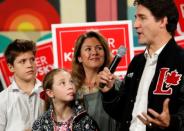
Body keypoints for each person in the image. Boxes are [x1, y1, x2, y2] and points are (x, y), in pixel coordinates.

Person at [98, 0, 184, 131]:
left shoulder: (181, 60)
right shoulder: (136, 62)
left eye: (142, 18)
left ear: (162, 21)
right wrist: (109, 92)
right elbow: (123, 114)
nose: (135, 25)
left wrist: (172, 122)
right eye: (135, 18)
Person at [71, 31, 121, 131]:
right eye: (88, 49)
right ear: (79, 58)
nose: (94, 52)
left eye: (99, 48)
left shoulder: (116, 84)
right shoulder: (71, 88)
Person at [32, 68, 99, 131]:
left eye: (71, 81)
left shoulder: (85, 119)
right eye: (63, 83)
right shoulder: (40, 124)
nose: (70, 86)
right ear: (50, 93)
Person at [0, 39, 44, 131]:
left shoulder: (50, 92)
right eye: (22, 61)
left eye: (32, 59)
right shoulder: (2, 99)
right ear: (11, 67)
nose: (29, 65)